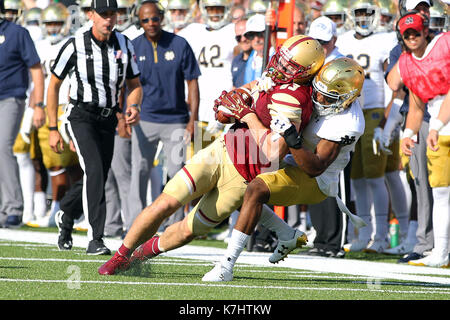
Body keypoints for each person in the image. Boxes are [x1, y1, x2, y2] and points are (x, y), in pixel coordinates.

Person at [97, 34, 325, 276]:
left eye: (287, 65)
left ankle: (139, 256)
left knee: (187, 229)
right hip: (222, 150)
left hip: (243, 177)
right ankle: (120, 256)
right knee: (166, 202)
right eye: (280, 59)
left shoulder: (292, 99)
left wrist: (247, 115)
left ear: (304, 72)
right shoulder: (279, 80)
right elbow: (253, 89)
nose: (278, 66)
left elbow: (273, 151)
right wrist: (237, 98)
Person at [202, 57, 366, 281]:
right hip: (291, 155)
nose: (318, 98)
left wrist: (292, 138)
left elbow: (314, 167)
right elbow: (287, 77)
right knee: (239, 183)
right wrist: (265, 85)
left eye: (327, 97)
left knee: (256, 190)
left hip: (318, 180)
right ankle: (287, 234)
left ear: (347, 99)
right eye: (317, 91)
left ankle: (226, 265)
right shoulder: (315, 86)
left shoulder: (348, 122)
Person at [47, 0, 142, 255]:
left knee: (97, 174)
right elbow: (53, 84)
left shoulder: (124, 43)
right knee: (96, 171)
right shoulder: (75, 44)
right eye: (103, 14)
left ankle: (66, 214)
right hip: (80, 115)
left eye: (113, 14)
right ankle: (95, 238)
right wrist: (52, 127)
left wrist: (134, 107)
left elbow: (135, 84)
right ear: (91, 15)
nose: (109, 19)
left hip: (108, 117)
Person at [336, 0, 399, 254]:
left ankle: (382, 235)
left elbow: (392, 81)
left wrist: (388, 116)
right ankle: (364, 233)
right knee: (358, 177)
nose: (363, 17)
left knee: (375, 176)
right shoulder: (344, 40)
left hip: (374, 109)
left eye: (367, 13)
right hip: (351, 110)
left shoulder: (384, 40)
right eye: (359, 13)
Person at [397, 12, 449, 268]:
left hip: (441, 124)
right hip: (438, 128)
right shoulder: (406, 62)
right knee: (440, 191)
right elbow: (416, 104)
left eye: (415, 32)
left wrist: (437, 125)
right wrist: (408, 134)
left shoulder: (445, 43)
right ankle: (441, 251)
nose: (412, 37)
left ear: (426, 31)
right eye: (407, 34)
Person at [384, 0, 435, 262]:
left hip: (441, 116)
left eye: (425, 7)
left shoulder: (441, 41)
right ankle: (426, 243)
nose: (423, 13)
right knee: (423, 184)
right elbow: (395, 84)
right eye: (418, 8)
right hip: (419, 119)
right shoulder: (400, 49)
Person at [25, 3, 83, 228]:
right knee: (47, 160)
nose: (53, 28)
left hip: (65, 106)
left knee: (72, 162)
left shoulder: (73, 43)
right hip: (45, 106)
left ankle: (68, 208)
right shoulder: (38, 46)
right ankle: (53, 207)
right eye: (49, 23)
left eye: (57, 23)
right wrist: (34, 106)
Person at [299, 15, 347, 258]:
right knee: (315, 182)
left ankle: (333, 243)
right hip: (315, 125)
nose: (320, 46)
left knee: (332, 184)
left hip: (334, 126)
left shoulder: (340, 63)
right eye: (315, 41)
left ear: (334, 40)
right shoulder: (310, 59)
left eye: (324, 42)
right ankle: (322, 238)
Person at [0, 0, 45, 228]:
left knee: (3, 146)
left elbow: (36, 69)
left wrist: (38, 104)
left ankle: (13, 207)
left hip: (10, 97)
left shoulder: (17, 33)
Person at [231, 18, 251, 88]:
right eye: (239, 37)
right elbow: (234, 87)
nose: (243, 39)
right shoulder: (236, 60)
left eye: (246, 35)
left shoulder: (260, 58)